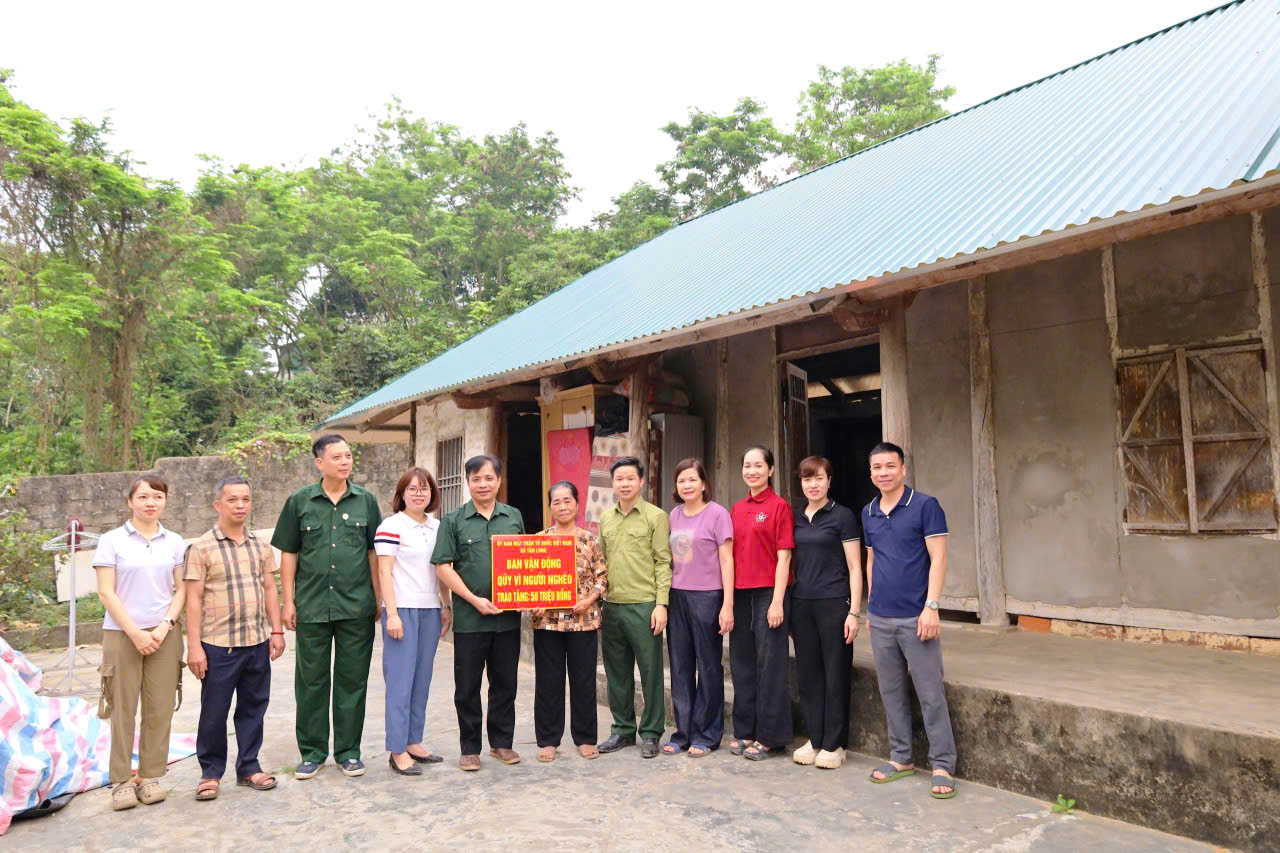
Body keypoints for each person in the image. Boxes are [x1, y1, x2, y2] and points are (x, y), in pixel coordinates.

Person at [272, 434, 383, 780]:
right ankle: (313, 752)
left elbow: (373, 553)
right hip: (312, 606)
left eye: (348, 455)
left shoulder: (366, 502)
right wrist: (288, 600)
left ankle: (349, 752)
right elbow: (289, 552)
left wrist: (379, 599)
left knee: (353, 681)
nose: (345, 461)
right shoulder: (299, 502)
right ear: (319, 463)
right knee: (312, 682)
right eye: (337, 456)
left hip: (356, 607)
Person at [863, 441, 957, 799]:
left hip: (917, 616)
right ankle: (901, 758)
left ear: (903, 469)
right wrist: (871, 607)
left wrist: (931, 606)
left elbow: (939, 558)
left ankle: (943, 764)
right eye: (877, 468)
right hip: (882, 616)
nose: (883, 473)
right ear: (870, 473)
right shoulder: (868, 511)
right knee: (891, 691)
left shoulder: (925, 506)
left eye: (890, 466)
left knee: (930, 692)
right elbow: (873, 561)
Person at [185, 476, 285, 800]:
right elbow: (194, 599)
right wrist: (194, 646)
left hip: (256, 642)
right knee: (214, 710)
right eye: (233, 500)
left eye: (245, 499)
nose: (240, 505)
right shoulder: (201, 548)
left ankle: (249, 767)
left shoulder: (260, 546)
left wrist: (277, 630)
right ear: (218, 505)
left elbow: (271, 588)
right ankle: (210, 772)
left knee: (254, 707)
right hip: (218, 645)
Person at [92, 475, 188, 811]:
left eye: (158, 497)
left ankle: (149, 776)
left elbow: (182, 590)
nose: (151, 502)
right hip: (122, 634)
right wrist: (134, 632)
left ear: (165, 501)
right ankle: (120, 780)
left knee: (159, 707)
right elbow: (106, 591)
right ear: (130, 501)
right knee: (122, 708)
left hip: (165, 634)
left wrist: (164, 626)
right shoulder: (112, 541)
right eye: (144, 496)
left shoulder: (174, 542)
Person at [432, 454, 525, 771]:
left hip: (508, 619)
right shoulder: (453, 520)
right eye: (476, 479)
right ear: (467, 483)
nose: (483, 484)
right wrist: (472, 599)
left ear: (499, 480)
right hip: (471, 619)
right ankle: (469, 748)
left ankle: (502, 743)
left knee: (505, 683)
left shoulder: (513, 517)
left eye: (489, 478)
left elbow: (524, 562)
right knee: (468, 685)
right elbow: (443, 567)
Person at [375, 467, 451, 776]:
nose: (419, 493)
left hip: (430, 610)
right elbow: (383, 572)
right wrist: (391, 613)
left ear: (432, 494)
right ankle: (396, 749)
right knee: (400, 681)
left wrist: (445, 605)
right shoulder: (391, 526)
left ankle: (413, 740)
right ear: (401, 494)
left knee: (421, 679)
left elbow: (441, 568)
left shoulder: (438, 527)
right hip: (402, 610)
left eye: (425, 489)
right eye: (413, 488)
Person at [596, 456, 671, 759]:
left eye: (630, 478)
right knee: (617, 673)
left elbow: (664, 562)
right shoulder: (606, 519)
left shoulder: (656, 516)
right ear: (612, 484)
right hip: (612, 606)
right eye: (619, 479)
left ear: (642, 481)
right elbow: (599, 563)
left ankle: (651, 732)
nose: (624, 484)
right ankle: (622, 729)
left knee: (651, 671)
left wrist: (661, 604)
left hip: (645, 606)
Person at [790, 456, 861, 770]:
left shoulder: (842, 516)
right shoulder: (795, 517)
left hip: (834, 603)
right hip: (802, 604)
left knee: (836, 673)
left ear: (829, 481)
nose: (813, 484)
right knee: (808, 676)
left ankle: (835, 743)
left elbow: (856, 567)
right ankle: (815, 739)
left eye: (819, 478)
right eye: (807, 479)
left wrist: (854, 612)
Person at [531, 481, 608, 762]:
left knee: (583, 680)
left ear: (577, 503)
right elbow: (529, 582)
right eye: (556, 502)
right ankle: (548, 740)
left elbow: (602, 577)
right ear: (550, 506)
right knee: (548, 682)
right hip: (548, 624)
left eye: (567, 500)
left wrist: (588, 600)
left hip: (583, 622)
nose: (562, 506)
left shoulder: (589, 539)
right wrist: (533, 604)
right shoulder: (539, 540)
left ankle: (586, 738)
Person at [663, 458, 733, 757]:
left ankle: (707, 733)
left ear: (704, 483)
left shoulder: (718, 515)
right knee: (679, 667)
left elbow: (727, 560)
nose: (687, 485)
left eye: (692, 479)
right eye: (682, 481)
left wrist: (727, 604)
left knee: (707, 666)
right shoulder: (674, 516)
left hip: (708, 596)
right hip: (677, 596)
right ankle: (683, 732)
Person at [728, 445, 795, 761]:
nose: (752, 470)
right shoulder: (737, 508)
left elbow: (785, 557)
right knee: (742, 664)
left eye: (758, 465)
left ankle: (772, 737)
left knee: (771, 666)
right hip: (740, 594)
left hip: (769, 592)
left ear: (770, 470)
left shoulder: (779, 506)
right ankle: (745, 731)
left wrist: (778, 602)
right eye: (747, 465)